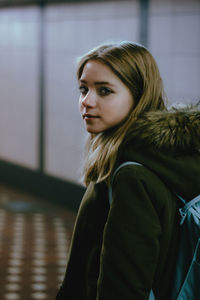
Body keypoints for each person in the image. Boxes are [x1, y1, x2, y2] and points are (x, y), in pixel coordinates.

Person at [56, 41, 200, 300]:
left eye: (105, 91)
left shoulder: (132, 175)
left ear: (139, 95)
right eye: (83, 89)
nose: (86, 102)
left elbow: (124, 287)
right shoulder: (164, 158)